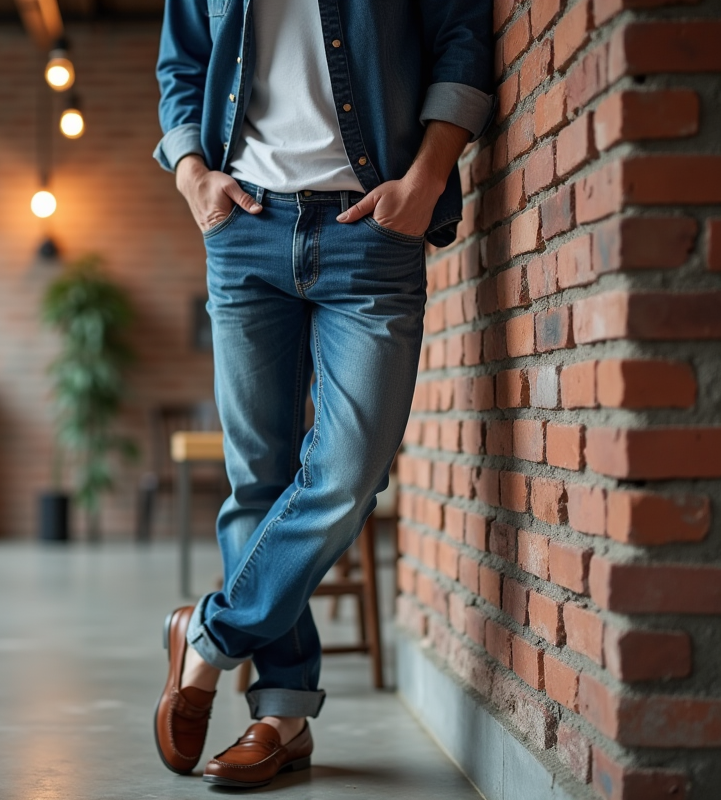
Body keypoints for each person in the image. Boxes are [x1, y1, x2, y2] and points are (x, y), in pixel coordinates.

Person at [151, 0, 494, 789]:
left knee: (348, 472)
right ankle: (282, 716)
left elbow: (461, 38)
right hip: (244, 228)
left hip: (371, 226)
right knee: (258, 479)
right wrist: (192, 175)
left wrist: (428, 177)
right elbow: (182, 67)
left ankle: (206, 638)